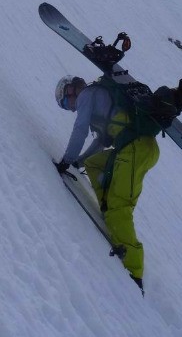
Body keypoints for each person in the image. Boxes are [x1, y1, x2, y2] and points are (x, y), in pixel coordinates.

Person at [53, 75, 160, 292]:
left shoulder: (86, 95)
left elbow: (80, 129)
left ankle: (134, 270)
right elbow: (101, 142)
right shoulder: (100, 98)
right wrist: (79, 162)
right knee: (95, 164)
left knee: (120, 207)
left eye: (65, 102)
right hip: (135, 147)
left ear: (71, 90)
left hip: (136, 149)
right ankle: (107, 210)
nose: (70, 107)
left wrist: (66, 161)